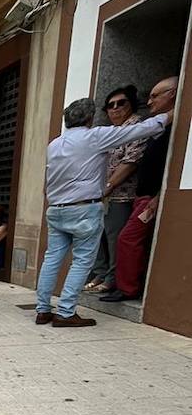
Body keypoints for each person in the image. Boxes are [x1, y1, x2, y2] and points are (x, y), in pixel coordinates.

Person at [35, 93, 171, 325]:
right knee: (82, 261)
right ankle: (66, 312)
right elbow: (135, 132)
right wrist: (168, 115)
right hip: (83, 210)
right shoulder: (94, 137)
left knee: (52, 259)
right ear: (89, 119)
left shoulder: (54, 144)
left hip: (56, 209)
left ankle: (42, 309)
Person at [102, 76, 179, 302]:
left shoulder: (161, 125)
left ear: (172, 94)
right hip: (142, 196)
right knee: (124, 239)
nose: (150, 101)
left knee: (126, 238)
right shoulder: (158, 126)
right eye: (110, 105)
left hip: (148, 197)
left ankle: (126, 288)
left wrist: (157, 197)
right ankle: (122, 284)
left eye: (155, 95)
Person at [84, 86, 146, 293]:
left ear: (132, 104)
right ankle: (101, 273)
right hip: (100, 196)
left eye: (121, 103)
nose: (115, 108)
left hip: (120, 195)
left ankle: (111, 278)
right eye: (110, 105)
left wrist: (108, 187)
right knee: (98, 235)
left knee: (114, 238)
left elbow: (131, 162)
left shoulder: (135, 127)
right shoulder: (112, 132)